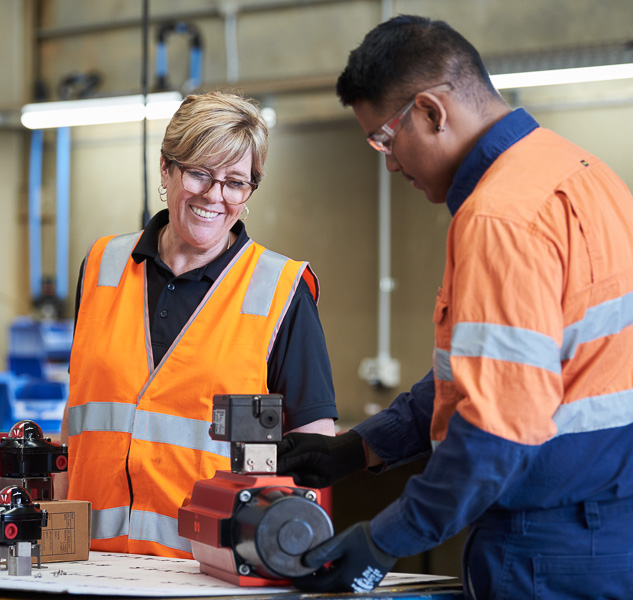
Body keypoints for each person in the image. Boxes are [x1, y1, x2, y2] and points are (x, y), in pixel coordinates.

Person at [277, 15, 633, 599]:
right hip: (609, 532)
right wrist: (361, 446)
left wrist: (385, 539)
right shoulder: (586, 175)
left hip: (543, 547)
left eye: (385, 139)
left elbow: (497, 427)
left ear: (431, 112)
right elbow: (502, 376)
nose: (389, 163)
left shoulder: (499, 219)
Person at [57, 91, 338, 559]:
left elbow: (313, 449)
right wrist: (55, 553)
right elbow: (77, 417)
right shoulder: (103, 264)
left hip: (211, 571)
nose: (215, 196)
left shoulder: (281, 290)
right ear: (166, 169)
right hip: (91, 565)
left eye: (235, 182)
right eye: (199, 174)